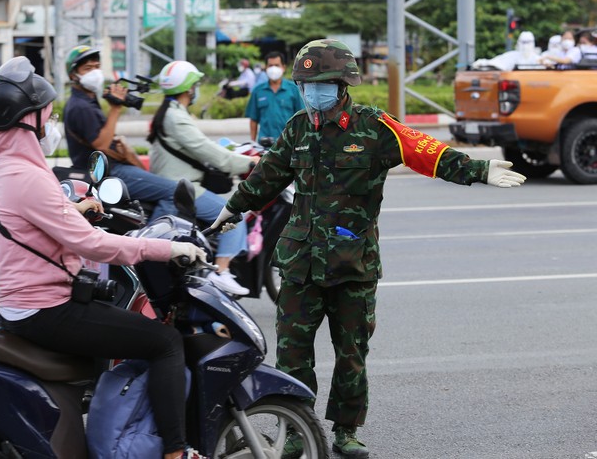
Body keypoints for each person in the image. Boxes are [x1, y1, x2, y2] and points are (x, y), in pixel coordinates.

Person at [209, 39, 526, 458]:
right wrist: (233, 209)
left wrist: (478, 170)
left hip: (353, 264)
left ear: (342, 84)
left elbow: (426, 152)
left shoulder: (374, 128)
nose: (310, 93)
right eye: (304, 85)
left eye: (319, 84)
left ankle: (345, 431)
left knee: (352, 354)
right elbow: (267, 176)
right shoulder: (299, 128)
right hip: (300, 265)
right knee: (293, 357)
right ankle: (295, 429)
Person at [0, 56, 208, 459]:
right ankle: (175, 451)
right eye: (46, 117)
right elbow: (95, 246)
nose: (50, 126)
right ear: (28, 122)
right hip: (47, 309)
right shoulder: (28, 177)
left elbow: (35, 226)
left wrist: (75, 211)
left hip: (17, 305)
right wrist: (169, 248)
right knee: (165, 341)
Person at [148, 60, 259, 296]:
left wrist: (232, 152)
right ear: (189, 88)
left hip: (180, 183)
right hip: (181, 188)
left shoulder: (172, 112)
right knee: (233, 213)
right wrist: (249, 162)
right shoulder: (175, 117)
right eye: (196, 84)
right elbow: (209, 152)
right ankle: (221, 272)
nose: (197, 89)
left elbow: (202, 146)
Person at [63, 45, 178, 221]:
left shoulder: (87, 101)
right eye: (87, 68)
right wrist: (116, 109)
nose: (94, 72)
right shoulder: (80, 107)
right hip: (111, 172)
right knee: (175, 191)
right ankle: (156, 238)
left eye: (96, 67)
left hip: (107, 170)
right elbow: (101, 144)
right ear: (73, 75)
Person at [245, 51, 305, 143]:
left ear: (283, 67)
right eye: (270, 65)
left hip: (288, 143)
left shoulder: (293, 90)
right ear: (265, 68)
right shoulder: (258, 91)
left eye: (277, 65)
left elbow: (301, 118)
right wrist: (252, 142)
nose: (273, 69)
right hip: (264, 144)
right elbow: (253, 119)